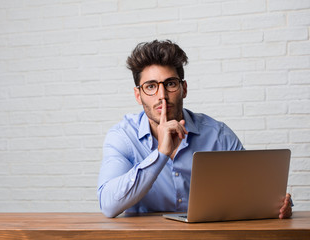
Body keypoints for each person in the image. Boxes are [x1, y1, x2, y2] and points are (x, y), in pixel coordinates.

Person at [97, 40, 293, 219]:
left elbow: (256, 191)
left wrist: (281, 204)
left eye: (170, 84)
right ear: (138, 95)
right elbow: (108, 205)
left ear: (184, 89)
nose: (162, 95)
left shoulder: (218, 135)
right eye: (150, 86)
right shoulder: (122, 136)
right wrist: (161, 154)